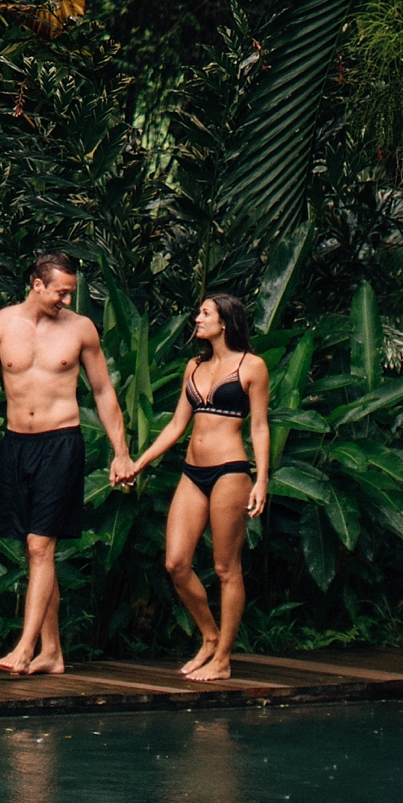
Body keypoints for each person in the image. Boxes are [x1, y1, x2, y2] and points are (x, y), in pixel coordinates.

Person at [0, 253, 135, 675]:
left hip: (60, 444)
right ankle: (52, 652)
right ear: (37, 285)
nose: (67, 300)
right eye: (61, 292)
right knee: (34, 554)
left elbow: (104, 391)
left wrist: (120, 451)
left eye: (71, 291)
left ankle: (26, 647)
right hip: (17, 445)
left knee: (40, 547)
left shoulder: (81, 330)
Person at [123, 291, 271, 681]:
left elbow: (259, 426)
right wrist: (138, 462)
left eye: (205, 313)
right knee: (175, 562)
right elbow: (176, 425)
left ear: (225, 322)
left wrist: (262, 479)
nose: (197, 318)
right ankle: (209, 636)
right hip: (193, 471)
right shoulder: (193, 367)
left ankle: (223, 659)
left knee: (225, 568)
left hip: (230, 471)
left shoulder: (252, 366)